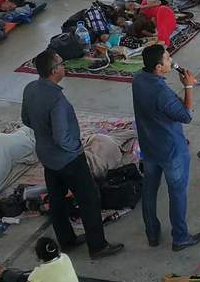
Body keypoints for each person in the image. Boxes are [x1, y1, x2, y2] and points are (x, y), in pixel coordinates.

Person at [21, 48, 124, 260]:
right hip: (68, 159)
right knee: (89, 199)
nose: (64, 66)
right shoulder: (57, 100)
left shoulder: (30, 88)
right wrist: (75, 146)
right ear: (54, 70)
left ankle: (66, 240)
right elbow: (61, 137)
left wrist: (44, 135)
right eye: (61, 64)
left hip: (47, 156)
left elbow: (26, 119)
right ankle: (98, 246)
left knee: (56, 199)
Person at [132, 43, 200, 252]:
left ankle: (152, 233)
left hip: (149, 146)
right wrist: (188, 88)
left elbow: (168, 105)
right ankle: (180, 237)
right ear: (158, 67)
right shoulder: (161, 92)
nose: (171, 61)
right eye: (167, 59)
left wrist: (180, 96)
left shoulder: (138, 79)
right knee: (177, 193)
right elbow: (186, 115)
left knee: (149, 190)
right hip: (171, 150)